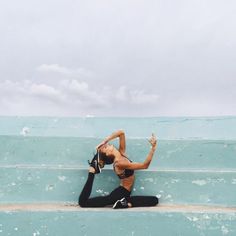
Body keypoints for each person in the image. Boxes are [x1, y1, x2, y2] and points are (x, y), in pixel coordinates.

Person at [78, 130, 158, 209]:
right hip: (120, 193)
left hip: (124, 193)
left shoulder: (121, 153)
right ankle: (92, 171)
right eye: (105, 147)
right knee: (84, 202)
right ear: (108, 154)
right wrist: (153, 148)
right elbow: (144, 166)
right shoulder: (119, 163)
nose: (106, 145)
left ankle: (124, 203)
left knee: (154, 200)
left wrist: (105, 140)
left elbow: (121, 133)